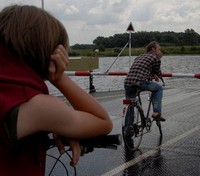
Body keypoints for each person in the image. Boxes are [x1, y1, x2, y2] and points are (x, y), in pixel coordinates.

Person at [0, 4, 113, 176]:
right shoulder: (37, 106)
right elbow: (102, 121)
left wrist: (52, 124)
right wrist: (59, 77)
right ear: (49, 54)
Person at [124, 41, 165, 124]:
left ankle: (128, 128)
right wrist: (159, 59)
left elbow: (143, 69)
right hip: (140, 82)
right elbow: (158, 72)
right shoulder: (155, 58)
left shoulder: (139, 56)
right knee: (159, 88)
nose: (160, 51)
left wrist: (152, 74)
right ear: (153, 49)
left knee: (130, 104)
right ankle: (156, 112)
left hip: (128, 82)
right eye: (159, 49)